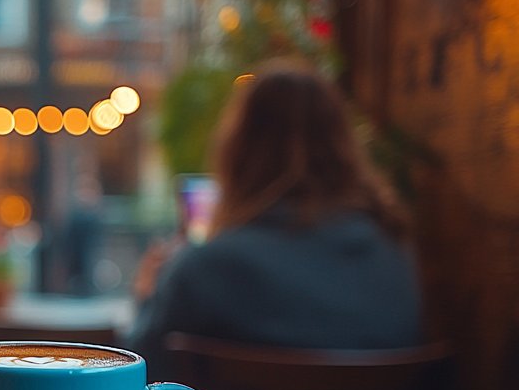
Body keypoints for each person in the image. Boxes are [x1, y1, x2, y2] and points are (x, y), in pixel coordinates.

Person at [126, 63, 423, 367]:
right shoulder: (392, 254)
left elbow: (141, 376)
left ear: (237, 152)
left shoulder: (204, 269)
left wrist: (149, 295)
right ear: (344, 148)